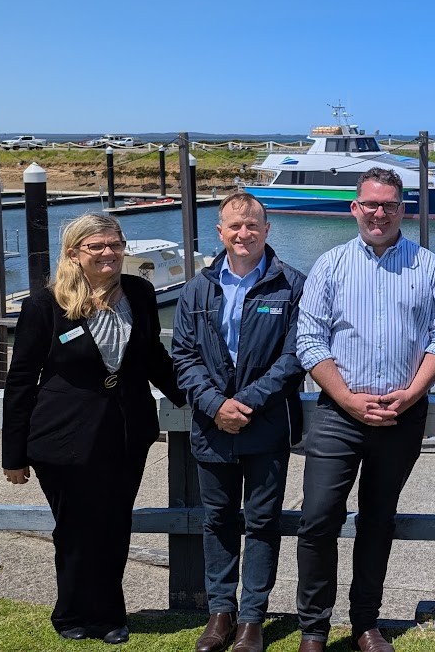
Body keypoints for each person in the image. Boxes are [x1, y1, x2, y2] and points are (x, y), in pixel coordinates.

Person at [293, 167, 435, 652]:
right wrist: (346, 397)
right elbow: (309, 340)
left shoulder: (428, 266)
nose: (379, 213)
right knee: (318, 517)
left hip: (400, 415)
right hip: (338, 414)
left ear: (402, 209)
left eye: (388, 204)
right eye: (370, 204)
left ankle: (365, 622)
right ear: (355, 208)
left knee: (377, 520)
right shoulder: (330, 265)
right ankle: (314, 627)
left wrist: (411, 394)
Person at [2, 213, 184, 644]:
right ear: (74, 253)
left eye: (115, 244)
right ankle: (70, 615)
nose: (108, 253)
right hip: (63, 438)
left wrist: (199, 397)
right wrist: (14, 454)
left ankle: (109, 615)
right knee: (74, 529)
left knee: (114, 525)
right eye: (96, 246)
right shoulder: (45, 305)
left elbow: (154, 357)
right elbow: (22, 380)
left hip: (126, 433)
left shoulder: (138, 292)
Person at [172, 193, 306, 652]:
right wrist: (215, 405)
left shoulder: (291, 286)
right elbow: (183, 357)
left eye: (252, 225)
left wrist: (244, 403)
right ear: (220, 232)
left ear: (267, 230)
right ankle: (220, 613)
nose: (243, 234)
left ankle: (252, 618)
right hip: (212, 428)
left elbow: (294, 359)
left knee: (264, 522)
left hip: (266, 425)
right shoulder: (198, 287)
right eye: (234, 226)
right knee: (218, 521)